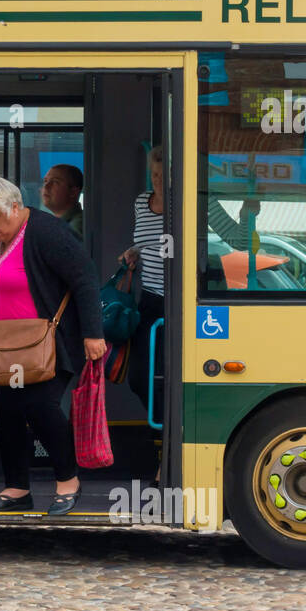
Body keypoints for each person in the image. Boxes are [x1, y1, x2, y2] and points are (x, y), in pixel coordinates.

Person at [0, 177, 106, 515]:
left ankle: (68, 481)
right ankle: (16, 489)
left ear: (15, 207)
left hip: (48, 344)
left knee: (42, 407)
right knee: (8, 411)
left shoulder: (47, 232)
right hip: (8, 347)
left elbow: (84, 278)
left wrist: (93, 334)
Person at [120, 145, 167, 417]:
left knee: (170, 376)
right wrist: (131, 253)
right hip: (149, 299)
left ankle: (170, 438)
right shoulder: (141, 202)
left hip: (179, 302)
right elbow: (143, 243)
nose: (158, 180)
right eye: (154, 174)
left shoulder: (187, 201)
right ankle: (161, 427)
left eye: (163, 175)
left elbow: (235, 237)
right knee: (139, 377)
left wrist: (247, 213)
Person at [41, 163, 85, 241]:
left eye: (55, 182)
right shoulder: (59, 224)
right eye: (45, 181)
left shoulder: (77, 225)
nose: (46, 186)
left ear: (73, 192)